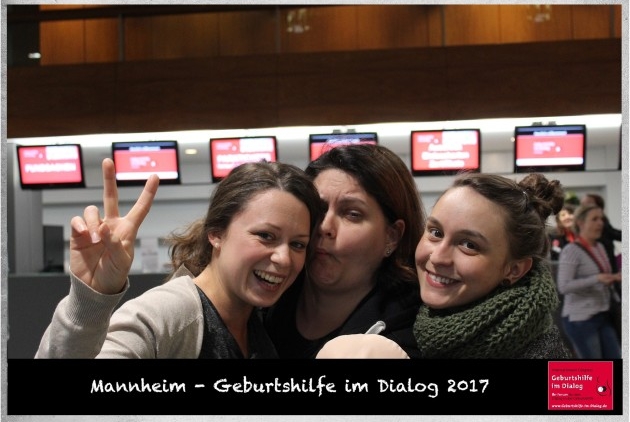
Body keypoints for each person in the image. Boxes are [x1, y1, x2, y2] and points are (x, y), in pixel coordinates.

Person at [36, 158, 324, 358]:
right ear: (216, 234)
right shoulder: (168, 314)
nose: (284, 259)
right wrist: (89, 301)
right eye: (266, 236)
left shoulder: (258, 320)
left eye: (298, 244)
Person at [264, 144, 426, 358]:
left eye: (352, 214)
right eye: (319, 209)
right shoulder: (262, 298)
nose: (325, 226)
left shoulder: (411, 337)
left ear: (392, 236)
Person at [410, 172, 572, 358]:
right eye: (436, 232)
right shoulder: (409, 315)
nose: (438, 257)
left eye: (469, 245)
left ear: (514, 269)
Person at [556, 204, 622, 359]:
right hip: (581, 319)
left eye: (602, 219)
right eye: (594, 219)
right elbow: (563, 286)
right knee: (594, 369)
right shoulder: (571, 250)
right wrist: (596, 279)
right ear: (580, 223)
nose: (600, 223)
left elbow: (603, 276)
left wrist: (614, 277)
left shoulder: (600, 247)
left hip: (603, 314)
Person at [579, 193, 622, 273]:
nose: (599, 224)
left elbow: (613, 233)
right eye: (582, 204)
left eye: (588, 203)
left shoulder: (603, 222)